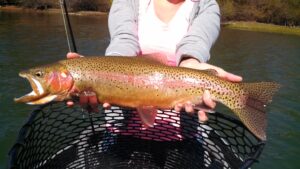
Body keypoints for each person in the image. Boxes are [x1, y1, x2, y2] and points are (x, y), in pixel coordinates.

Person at [67, 0, 242, 123]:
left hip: (183, 128)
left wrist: (190, 62)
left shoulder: (206, 5)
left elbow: (196, 41)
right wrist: (98, 73)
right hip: (123, 126)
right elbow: (124, 39)